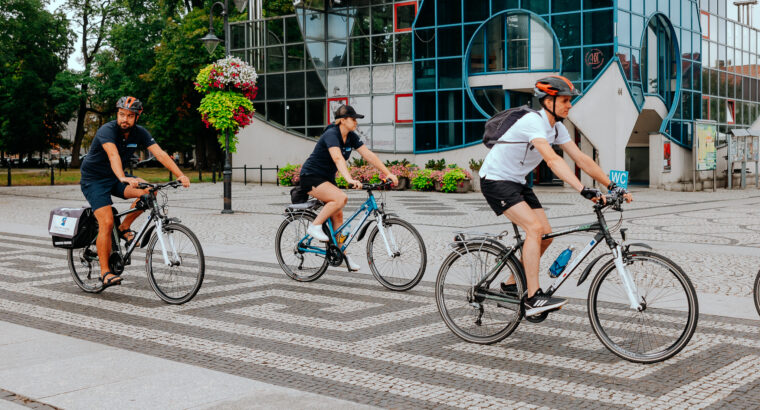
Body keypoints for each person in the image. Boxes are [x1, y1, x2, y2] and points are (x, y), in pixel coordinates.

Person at [478, 76, 632, 317]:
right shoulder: (533, 122)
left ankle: (510, 285)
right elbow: (552, 159)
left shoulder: (557, 127)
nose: (569, 105)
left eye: (570, 100)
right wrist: (583, 189)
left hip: (517, 182)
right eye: (564, 100)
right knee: (534, 229)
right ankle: (532, 297)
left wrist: (612, 186)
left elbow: (581, 159)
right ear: (548, 101)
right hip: (496, 180)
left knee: (545, 236)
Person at [79, 96, 190, 288]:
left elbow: (161, 154)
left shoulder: (140, 133)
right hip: (95, 179)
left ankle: (123, 228)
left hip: (117, 177)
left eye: (130, 116)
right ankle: (105, 272)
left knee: (149, 192)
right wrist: (123, 177)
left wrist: (181, 175)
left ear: (137, 117)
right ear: (117, 114)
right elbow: (113, 155)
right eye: (122, 114)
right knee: (106, 221)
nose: (125, 119)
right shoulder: (107, 130)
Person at [299, 105, 398, 271]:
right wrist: (349, 179)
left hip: (327, 179)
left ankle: (341, 254)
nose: (356, 122)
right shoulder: (331, 134)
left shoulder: (351, 136)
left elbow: (368, 155)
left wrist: (388, 173)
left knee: (337, 213)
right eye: (353, 119)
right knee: (340, 198)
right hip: (311, 177)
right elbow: (337, 158)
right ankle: (314, 226)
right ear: (342, 120)